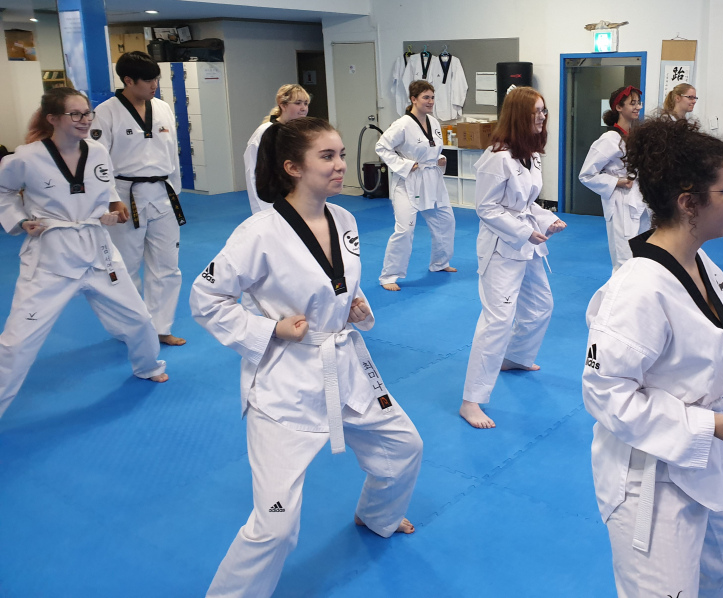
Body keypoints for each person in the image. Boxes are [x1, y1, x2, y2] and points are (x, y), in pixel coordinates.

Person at [191, 117, 422, 598]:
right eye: (328, 157)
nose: (341, 165)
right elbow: (205, 298)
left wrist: (356, 306)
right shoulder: (258, 233)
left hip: (344, 368)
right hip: (286, 385)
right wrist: (270, 329)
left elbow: (338, 283)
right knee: (276, 528)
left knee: (404, 447)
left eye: (342, 155)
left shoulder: (345, 219)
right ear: (293, 167)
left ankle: (376, 516)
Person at [582, 116, 723, 598]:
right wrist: (705, 424)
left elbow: (697, 360)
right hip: (650, 476)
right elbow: (605, 394)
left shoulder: (702, 263)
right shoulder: (637, 290)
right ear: (688, 202)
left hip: (708, 458)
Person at [0, 88, 168, 418]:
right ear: (52, 118)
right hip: (51, 257)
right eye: (75, 114)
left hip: (98, 251)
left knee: (138, 318)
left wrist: (111, 211)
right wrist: (19, 220)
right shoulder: (26, 158)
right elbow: (3, 190)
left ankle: (148, 365)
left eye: (87, 113)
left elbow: (103, 190)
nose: (85, 120)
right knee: (18, 342)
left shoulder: (98, 151)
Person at [460, 87, 566, 429]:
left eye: (544, 111)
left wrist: (547, 220)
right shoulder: (498, 157)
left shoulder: (529, 154)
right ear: (519, 115)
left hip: (526, 242)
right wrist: (523, 231)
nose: (543, 116)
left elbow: (527, 203)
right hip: (500, 248)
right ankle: (471, 401)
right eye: (537, 112)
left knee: (541, 305)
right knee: (498, 320)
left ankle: (516, 357)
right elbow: (486, 208)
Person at [91, 51, 186, 346]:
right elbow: (97, 161)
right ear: (128, 80)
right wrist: (109, 199)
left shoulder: (163, 108)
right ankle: (131, 328)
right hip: (124, 195)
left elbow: (172, 153)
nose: (154, 85)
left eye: (156, 78)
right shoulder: (106, 112)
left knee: (167, 265)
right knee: (125, 265)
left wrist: (175, 192)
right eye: (147, 80)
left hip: (162, 193)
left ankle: (161, 327)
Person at [375, 80, 456, 291]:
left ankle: (440, 263)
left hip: (432, 180)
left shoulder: (434, 122)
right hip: (408, 182)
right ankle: (389, 276)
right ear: (413, 99)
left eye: (432, 97)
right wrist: (405, 165)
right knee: (405, 229)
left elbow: (432, 149)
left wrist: (440, 159)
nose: (430, 101)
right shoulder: (402, 124)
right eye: (425, 97)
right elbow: (382, 147)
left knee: (446, 221)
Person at [578, 85, 651, 272]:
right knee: (624, 260)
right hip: (620, 202)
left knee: (643, 256)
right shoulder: (609, 139)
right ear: (619, 107)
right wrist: (616, 181)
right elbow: (586, 174)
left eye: (639, 103)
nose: (637, 107)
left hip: (640, 201)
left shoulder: (635, 136)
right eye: (632, 103)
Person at [244, 84, 311, 214]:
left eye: (306, 103)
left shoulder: (299, 133)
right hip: (271, 201)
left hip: (295, 198)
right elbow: (253, 172)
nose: (303, 108)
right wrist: (262, 209)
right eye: (298, 103)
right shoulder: (265, 132)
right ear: (283, 105)